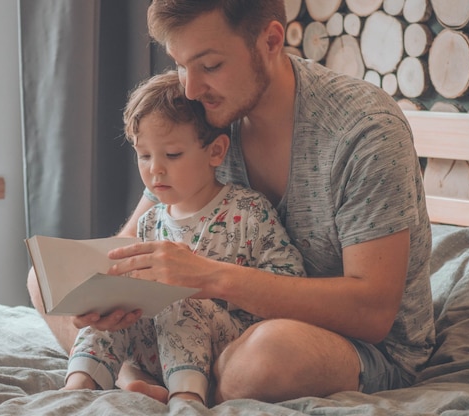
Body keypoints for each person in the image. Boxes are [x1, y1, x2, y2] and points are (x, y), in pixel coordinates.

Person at [29, 0, 434, 405]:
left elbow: (373, 313)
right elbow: (133, 239)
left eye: (210, 65)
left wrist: (209, 277)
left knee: (266, 354)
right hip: (203, 325)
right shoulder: (201, 111)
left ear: (271, 40)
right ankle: (144, 377)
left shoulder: (364, 131)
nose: (189, 88)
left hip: (350, 343)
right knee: (44, 281)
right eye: (180, 64)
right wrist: (101, 298)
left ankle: (165, 382)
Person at [52, 70, 306, 405]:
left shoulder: (249, 211)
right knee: (111, 305)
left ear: (216, 152)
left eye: (172, 155)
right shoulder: (150, 221)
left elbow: (291, 282)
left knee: (178, 300)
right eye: (145, 155)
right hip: (156, 347)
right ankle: (79, 385)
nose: (155, 169)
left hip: (228, 345)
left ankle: (186, 399)